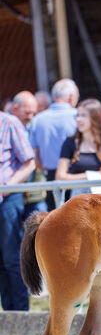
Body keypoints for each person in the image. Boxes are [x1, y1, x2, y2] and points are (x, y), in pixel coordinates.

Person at [0, 111, 35, 310]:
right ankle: (8, 313)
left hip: (7, 198)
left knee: (12, 259)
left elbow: (29, 162)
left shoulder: (9, 122)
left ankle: (21, 313)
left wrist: (7, 187)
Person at [55, 98, 101, 198]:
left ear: (96, 118)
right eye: (77, 115)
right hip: (79, 201)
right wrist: (91, 176)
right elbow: (60, 176)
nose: (78, 119)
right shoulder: (70, 142)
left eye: (83, 115)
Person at [29, 78, 79, 210]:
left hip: (50, 176)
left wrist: (46, 168)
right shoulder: (78, 116)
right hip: (76, 176)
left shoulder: (37, 120)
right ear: (71, 97)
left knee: (55, 221)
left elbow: (34, 156)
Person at [10, 91, 47, 219]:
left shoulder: (35, 127)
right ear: (15, 109)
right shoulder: (5, 127)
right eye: (27, 113)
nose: (31, 117)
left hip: (36, 192)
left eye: (33, 113)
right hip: (12, 193)